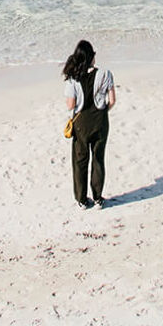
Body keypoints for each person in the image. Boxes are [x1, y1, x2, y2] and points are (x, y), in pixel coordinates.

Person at [61, 39, 116, 208]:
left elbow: (70, 105)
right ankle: (98, 197)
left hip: (81, 124)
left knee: (80, 161)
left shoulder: (72, 79)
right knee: (98, 158)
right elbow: (112, 101)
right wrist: (102, 111)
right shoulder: (105, 74)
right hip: (100, 120)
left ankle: (82, 200)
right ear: (91, 57)